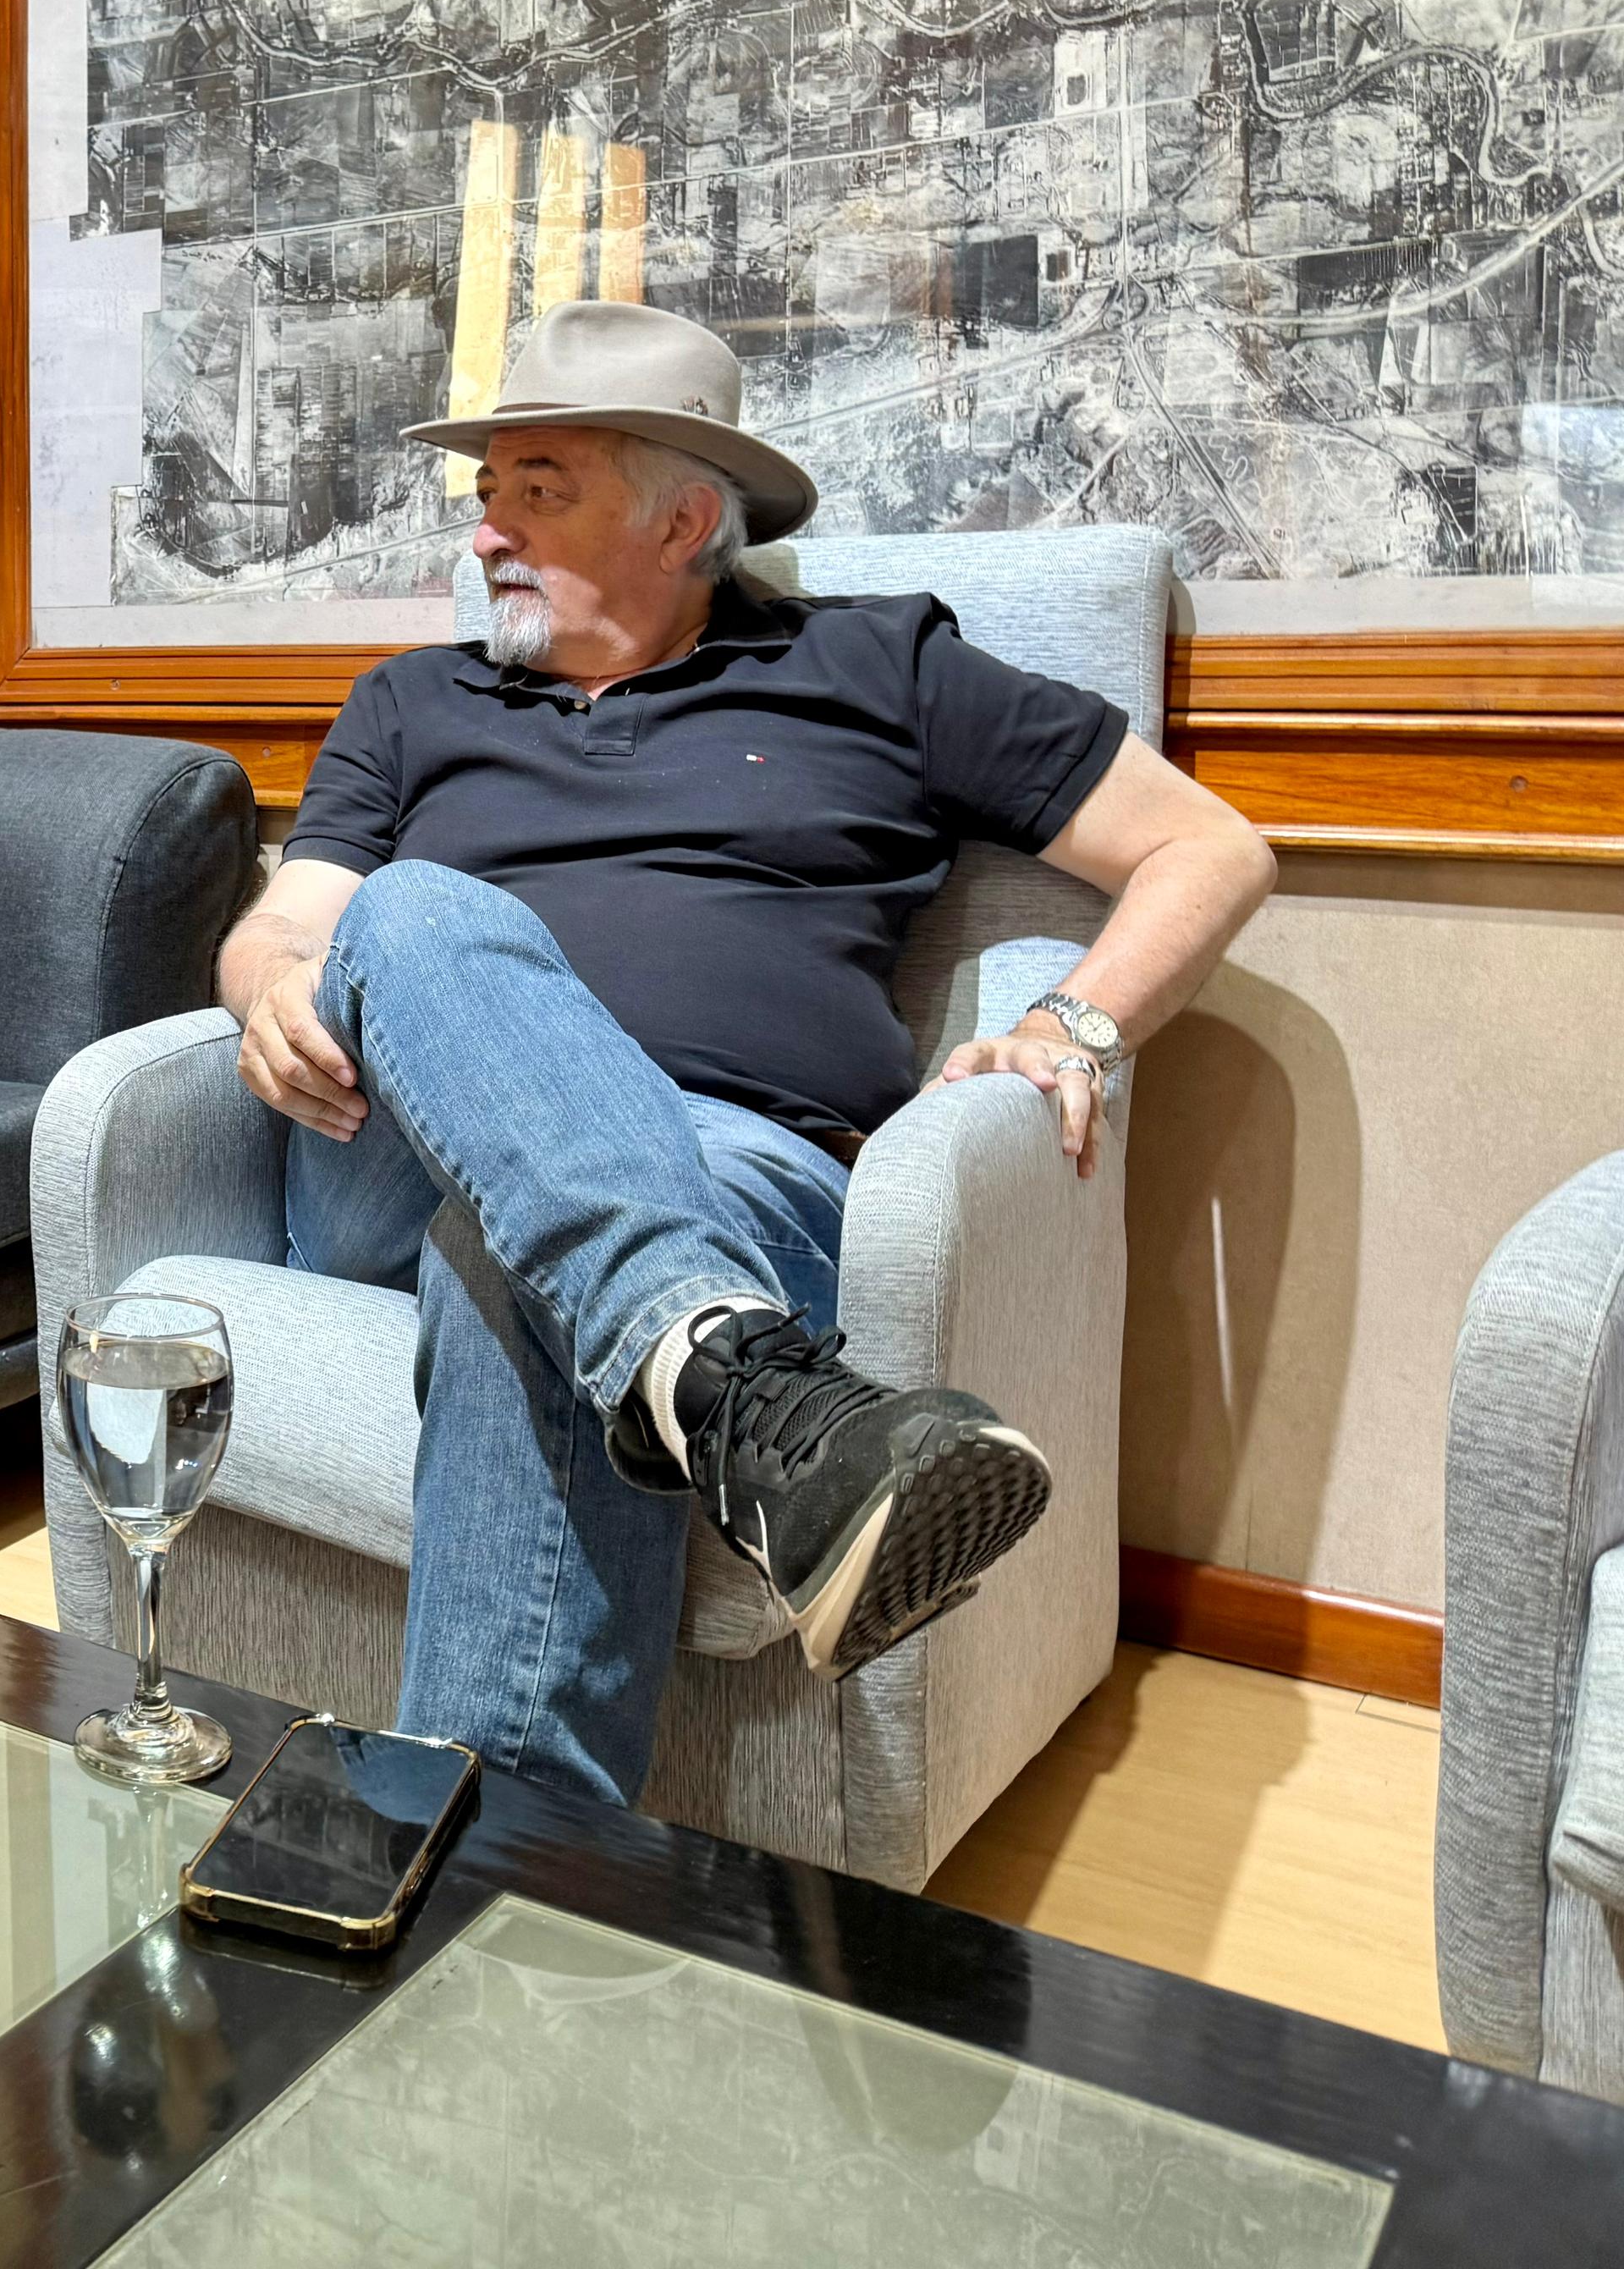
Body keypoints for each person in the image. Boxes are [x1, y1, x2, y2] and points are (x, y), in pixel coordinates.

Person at [224, 300, 1275, 1805]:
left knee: (507, 1261)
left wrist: (1072, 1025)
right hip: (393, 1157)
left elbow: (1209, 848)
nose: (487, 534)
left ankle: (500, 1858)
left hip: (743, 1168)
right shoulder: (415, 701)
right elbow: (288, 925)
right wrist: (270, 983)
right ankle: (762, 1403)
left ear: (684, 521)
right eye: (488, 493)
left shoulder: (879, 667)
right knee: (414, 911)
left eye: (539, 491)